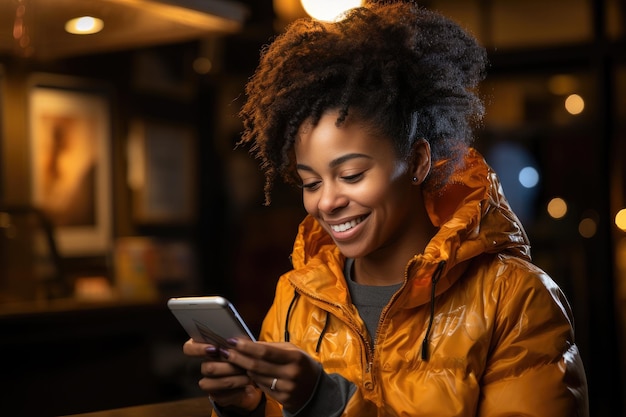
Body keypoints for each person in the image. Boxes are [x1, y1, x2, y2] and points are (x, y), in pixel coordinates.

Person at [183, 1, 589, 416]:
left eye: (353, 174)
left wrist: (325, 402)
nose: (326, 201)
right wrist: (243, 407)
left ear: (416, 162)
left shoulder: (514, 298)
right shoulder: (296, 297)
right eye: (310, 182)